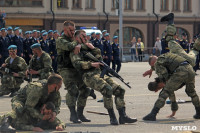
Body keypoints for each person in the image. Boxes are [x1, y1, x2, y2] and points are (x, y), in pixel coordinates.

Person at [70, 30, 137, 125]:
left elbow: (100, 58)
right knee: (107, 89)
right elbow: (77, 64)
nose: (86, 38)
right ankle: (112, 117)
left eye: (86, 36)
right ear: (77, 38)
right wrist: (91, 64)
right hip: (88, 76)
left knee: (120, 90)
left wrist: (94, 49)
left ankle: (123, 116)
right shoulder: (75, 49)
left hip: (99, 74)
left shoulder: (89, 47)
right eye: (83, 36)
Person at [143, 13, 200, 121]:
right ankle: (199, 112)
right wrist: (152, 69)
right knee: (191, 92)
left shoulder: (160, 66)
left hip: (186, 66)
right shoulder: (163, 59)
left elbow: (166, 83)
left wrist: (153, 70)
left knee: (166, 91)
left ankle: (153, 114)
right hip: (188, 63)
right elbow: (172, 95)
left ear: (156, 89)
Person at [56, 20, 92, 123]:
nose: (73, 32)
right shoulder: (60, 40)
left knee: (85, 90)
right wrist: (78, 43)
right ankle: (73, 114)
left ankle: (80, 113)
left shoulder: (75, 39)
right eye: (71, 30)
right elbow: (69, 46)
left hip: (77, 67)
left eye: (74, 30)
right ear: (65, 29)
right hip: (65, 68)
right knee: (73, 90)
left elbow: (87, 45)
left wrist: (80, 45)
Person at [0, 102, 65, 132]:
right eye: (46, 111)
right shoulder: (33, 113)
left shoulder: (49, 117)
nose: (46, 114)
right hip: (12, 120)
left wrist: (60, 126)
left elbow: (60, 122)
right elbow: (18, 125)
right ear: (43, 107)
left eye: (49, 113)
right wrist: (32, 128)